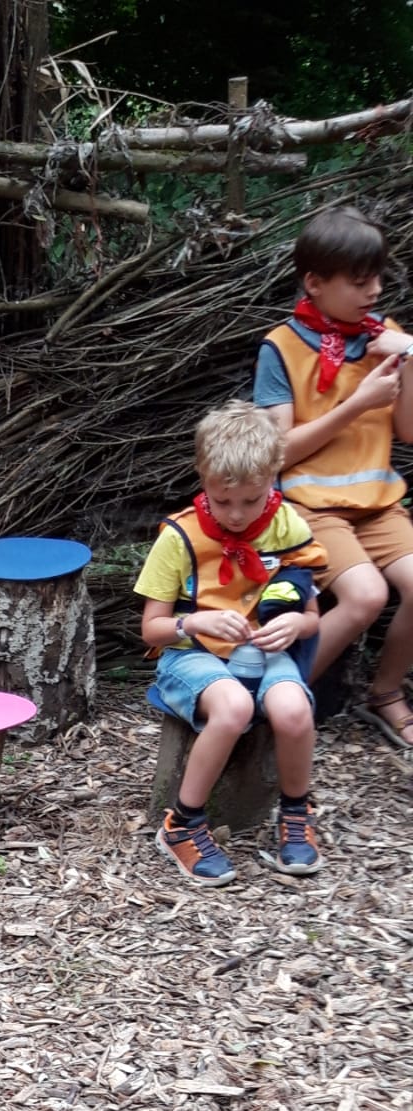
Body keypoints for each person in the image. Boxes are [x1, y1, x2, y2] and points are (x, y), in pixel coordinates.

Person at [137, 401, 327, 886]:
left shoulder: (288, 526)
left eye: (252, 500)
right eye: (223, 502)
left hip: (265, 652)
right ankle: (182, 823)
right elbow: (153, 628)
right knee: (234, 707)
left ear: (272, 480)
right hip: (191, 655)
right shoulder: (179, 536)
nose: (238, 515)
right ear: (203, 475)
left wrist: (296, 628)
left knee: (293, 710)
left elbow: (311, 615)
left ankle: (295, 813)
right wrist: (196, 623)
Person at [254, 205, 413, 748]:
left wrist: (409, 358)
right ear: (315, 283)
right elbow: (274, 455)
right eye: (359, 281)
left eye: (377, 279)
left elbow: (409, 431)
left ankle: (385, 693)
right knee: (366, 596)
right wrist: (358, 401)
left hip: (380, 505)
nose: (373, 292)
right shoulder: (281, 347)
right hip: (311, 506)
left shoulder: (387, 337)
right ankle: (279, 694)